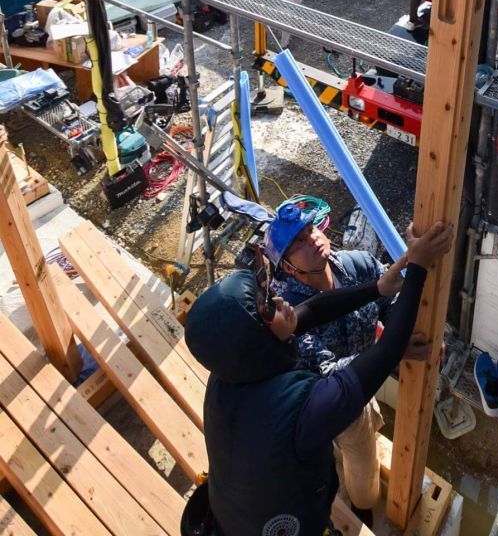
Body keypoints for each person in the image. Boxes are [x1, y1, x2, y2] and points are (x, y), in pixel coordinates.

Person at [183, 220, 453, 536]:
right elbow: (389, 349)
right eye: (268, 305)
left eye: (267, 291)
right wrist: (418, 266)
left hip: (234, 515)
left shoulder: (230, 371)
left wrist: (379, 287)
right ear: (256, 338)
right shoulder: (302, 409)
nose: (280, 300)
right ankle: (362, 508)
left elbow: (310, 311)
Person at [267, 203, 430, 526]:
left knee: (358, 446)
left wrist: (400, 332)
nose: (311, 238)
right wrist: (393, 350)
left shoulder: (357, 266)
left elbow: (390, 300)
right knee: (361, 460)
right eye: (298, 242)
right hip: (331, 404)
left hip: (361, 380)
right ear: (287, 267)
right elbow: (328, 376)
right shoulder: (287, 315)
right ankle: (363, 507)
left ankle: (357, 496)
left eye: (310, 230)